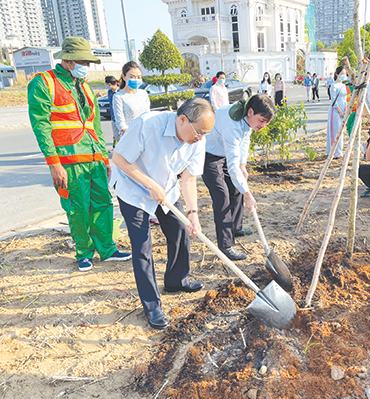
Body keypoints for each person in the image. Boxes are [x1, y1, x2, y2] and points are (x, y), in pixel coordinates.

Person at [27, 36, 131, 272]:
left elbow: (93, 125)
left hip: (93, 157)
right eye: (84, 61)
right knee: (77, 207)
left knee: (103, 203)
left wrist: (104, 157)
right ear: (69, 60)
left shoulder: (83, 85)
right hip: (68, 160)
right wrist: (54, 163)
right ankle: (84, 252)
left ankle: (107, 248)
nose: (88, 67)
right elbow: (41, 126)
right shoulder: (44, 83)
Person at [111, 98, 215, 329]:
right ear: (182, 119)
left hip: (166, 188)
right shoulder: (148, 125)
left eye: (205, 134)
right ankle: (152, 305)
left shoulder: (198, 140)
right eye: (199, 131)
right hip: (133, 189)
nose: (200, 137)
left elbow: (188, 178)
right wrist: (149, 184)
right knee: (142, 247)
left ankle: (177, 279)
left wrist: (193, 213)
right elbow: (119, 158)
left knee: (179, 230)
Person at [202, 95, 276, 261]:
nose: (263, 126)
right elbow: (232, 166)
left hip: (225, 153)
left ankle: (236, 227)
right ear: (250, 112)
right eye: (261, 121)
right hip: (208, 155)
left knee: (235, 189)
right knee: (222, 196)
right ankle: (226, 245)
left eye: (266, 123)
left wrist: (243, 164)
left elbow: (245, 140)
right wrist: (248, 194)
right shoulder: (232, 124)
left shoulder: (246, 118)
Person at [113, 61, 150, 138]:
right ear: (124, 76)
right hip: (129, 137)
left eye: (139, 77)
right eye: (132, 77)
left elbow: (148, 115)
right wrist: (130, 134)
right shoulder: (119, 96)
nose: (136, 80)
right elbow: (120, 122)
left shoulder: (143, 93)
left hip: (146, 134)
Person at [327, 66, 348, 159]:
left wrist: (346, 109)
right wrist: (340, 111)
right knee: (335, 131)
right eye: (342, 73)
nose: (344, 75)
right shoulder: (333, 85)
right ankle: (333, 152)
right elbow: (333, 101)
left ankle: (339, 151)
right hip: (335, 111)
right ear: (337, 74)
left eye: (345, 73)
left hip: (343, 109)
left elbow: (345, 98)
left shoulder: (343, 85)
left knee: (341, 131)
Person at [105, 75, 119, 147]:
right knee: (116, 135)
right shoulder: (109, 92)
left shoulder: (120, 91)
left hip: (121, 117)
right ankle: (116, 147)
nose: (106, 86)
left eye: (106, 85)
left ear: (109, 84)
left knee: (123, 136)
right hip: (113, 117)